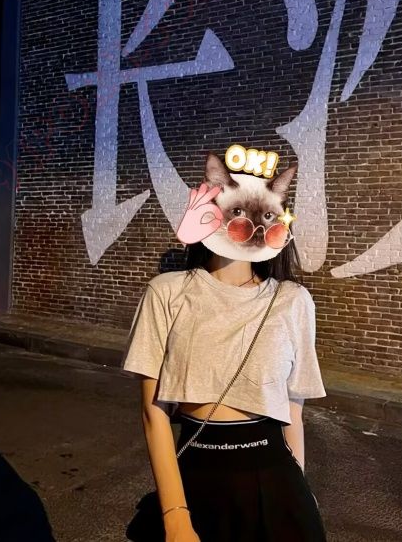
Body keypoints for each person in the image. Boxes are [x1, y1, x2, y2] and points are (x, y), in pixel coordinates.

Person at [122, 149, 328, 541]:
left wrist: (300, 492)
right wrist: (175, 516)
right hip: (196, 472)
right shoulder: (166, 292)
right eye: (237, 211)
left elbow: (293, 413)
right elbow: (153, 413)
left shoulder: (293, 299)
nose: (253, 224)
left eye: (267, 215)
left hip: (276, 476)